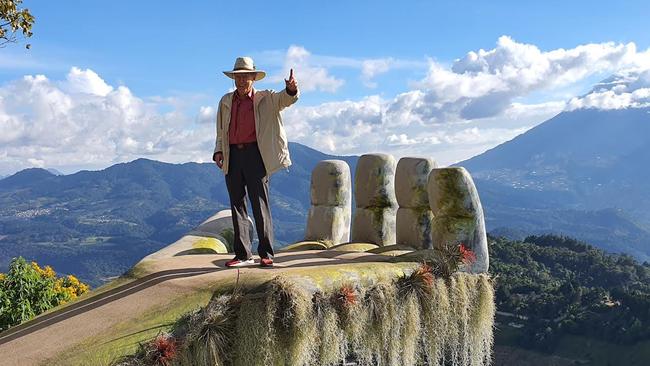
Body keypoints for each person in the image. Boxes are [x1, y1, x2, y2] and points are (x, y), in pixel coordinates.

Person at [213, 56, 299, 268]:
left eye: (245, 77)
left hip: (256, 155)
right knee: (237, 204)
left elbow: (285, 101)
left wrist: (291, 90)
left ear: (253, 77)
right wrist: (218, 151)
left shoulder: (266, 98)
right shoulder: (225, 101)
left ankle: (266, 253)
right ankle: (242, 254)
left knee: (260, 205)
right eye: (237, 77)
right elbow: (220, 131)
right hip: (233, 154)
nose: (241, 81)